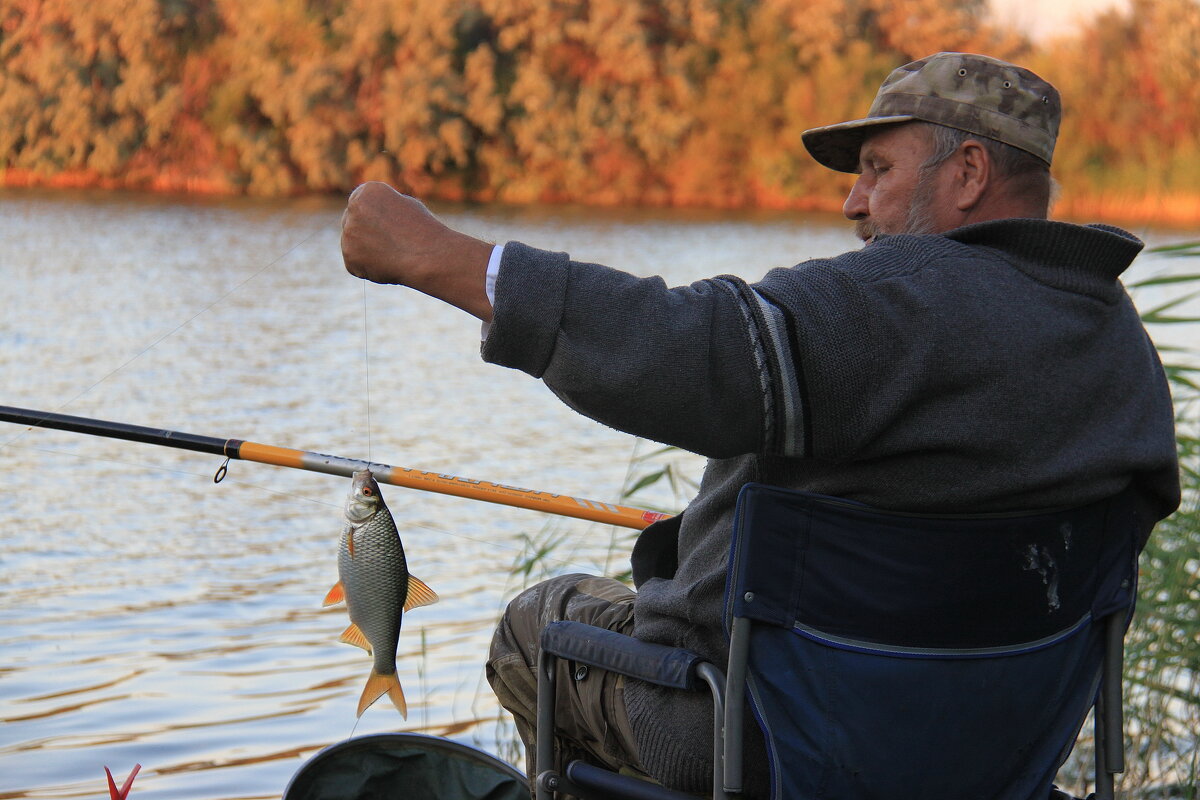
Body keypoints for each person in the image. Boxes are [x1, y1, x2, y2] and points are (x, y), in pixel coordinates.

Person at [341, 52, 1181, 797]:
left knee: (538, 621)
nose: (853, 202)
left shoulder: (896, 298)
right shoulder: (1120, 348)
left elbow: (688, 347)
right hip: (995, 748)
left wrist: (444, 256)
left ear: (966, 174)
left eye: (877, 169)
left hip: (757, 735)